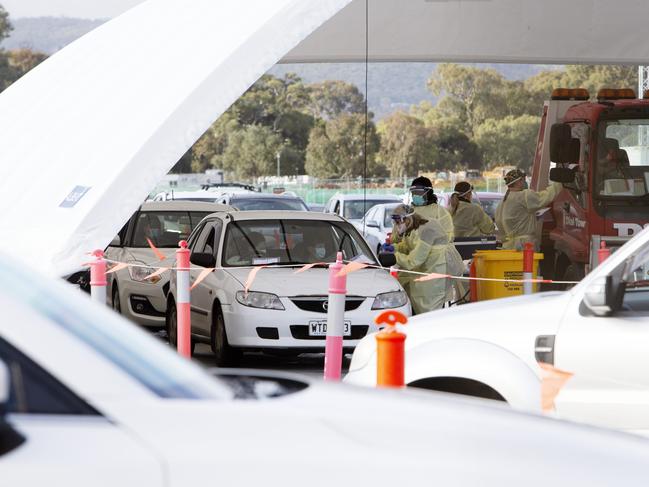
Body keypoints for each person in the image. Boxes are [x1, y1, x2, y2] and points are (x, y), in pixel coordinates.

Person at [391, 204, 464, 314]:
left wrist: (394, 256)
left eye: (398, 222)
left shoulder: (427, 229)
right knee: (421, 303)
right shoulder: (413, 227)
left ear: (407, 219)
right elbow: (410, 245)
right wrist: (394, 247)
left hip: (438, 269)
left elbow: (414, 261)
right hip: (428, 269)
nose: (396, 226)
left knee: (429, 310)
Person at [495, 169, 562, 250]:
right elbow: (545, 197)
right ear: (519, 181)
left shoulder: (502, 203)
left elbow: (501, 231)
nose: (525, 182)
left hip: (509, 248)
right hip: (524, 246)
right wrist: (560, 183)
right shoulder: (524, 196)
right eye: (523, 180)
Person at [407, 176, 454, 241]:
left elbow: (448, 236)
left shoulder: (440, 212)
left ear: (428, 193)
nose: (415, 195)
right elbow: (397, 235)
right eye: (414, 193)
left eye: (419, 193)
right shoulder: (407, 212)